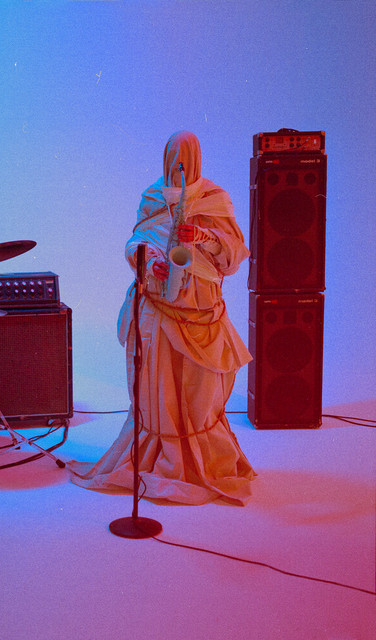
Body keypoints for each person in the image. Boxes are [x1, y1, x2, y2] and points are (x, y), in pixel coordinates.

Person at [69, 130, 256, 505]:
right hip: (156, 309)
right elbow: (135, 242)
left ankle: (200, 461)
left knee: (200, 391)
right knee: (158, 392)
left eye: (186, 156)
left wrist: (203, 236)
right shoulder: (152, 197)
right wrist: (149, 260)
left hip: (201, 310)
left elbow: (234, 255)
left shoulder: (215, 198)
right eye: (175, 155)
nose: (179, 163)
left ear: (197, 157)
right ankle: (159, 456)